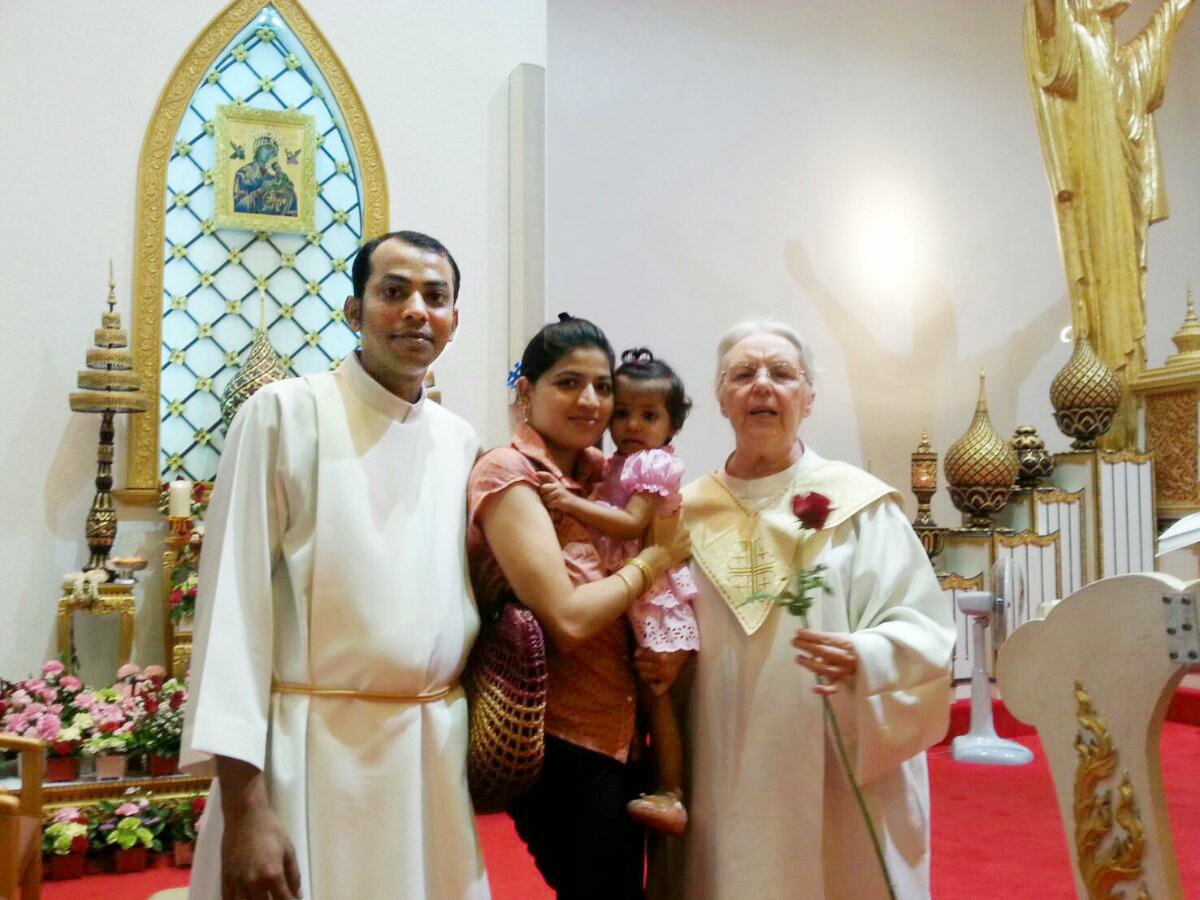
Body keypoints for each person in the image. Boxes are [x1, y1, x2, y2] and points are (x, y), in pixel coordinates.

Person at [181, 231, 489, 899]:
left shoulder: (459, 440)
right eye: (393, 292)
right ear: (354, 311)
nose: (416, 310)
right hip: (307, 757)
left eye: (435, 297)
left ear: (454, 322)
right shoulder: (285, 415)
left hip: (428, 763)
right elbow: (232, 617)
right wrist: (245, 810)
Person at [644, 320, 955, 899]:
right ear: (720, 398)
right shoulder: (683, 514)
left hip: (827, 756)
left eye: (781, 374)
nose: (762, 386)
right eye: (743, 374)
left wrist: (870, 656)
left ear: (809, 399)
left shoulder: (860, 506)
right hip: (717, 753)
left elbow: (924, 627)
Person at [467, 316, 687, 899]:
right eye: (567, 383)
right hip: (556, 739)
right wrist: (653, 563)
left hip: (621, 730)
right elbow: (565, 619)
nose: (590, 400)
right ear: (526, 391)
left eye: (602, 386)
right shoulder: (509, 474)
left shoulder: (601, 473)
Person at [537, 348, 698, 835]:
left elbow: (631, 524)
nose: (632, 424)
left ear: (672, 425)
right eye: (623, 412)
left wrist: (569, 502)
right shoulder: (616, 463)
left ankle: (672, 791)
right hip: (633, 586)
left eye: (649, 415)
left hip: (656, 594)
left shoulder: (653, 464)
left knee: (657, 695)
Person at [233, 134, 299, 217]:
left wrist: (285, 190)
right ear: (257, 151)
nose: (273, 152)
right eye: (268, 148)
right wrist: (260, 191)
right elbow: (238, 208)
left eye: (275, 150)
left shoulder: (272, 177)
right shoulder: (244, 173)